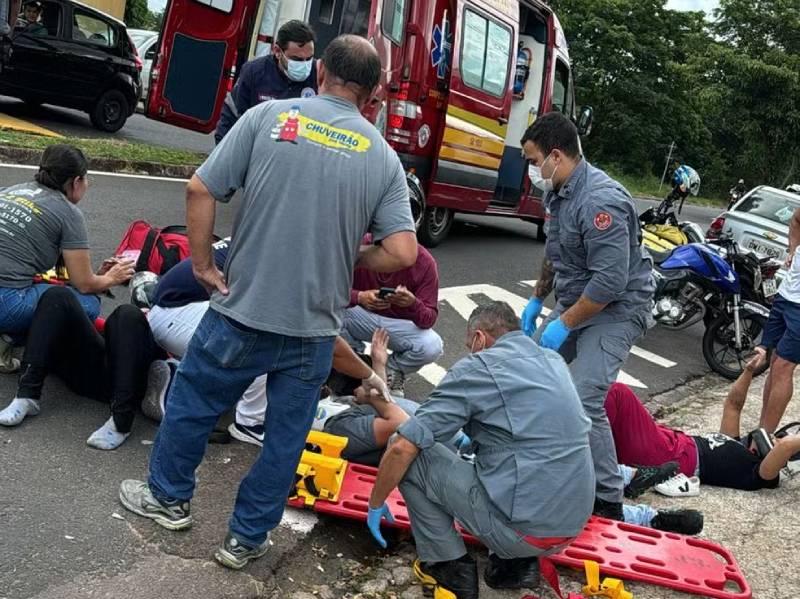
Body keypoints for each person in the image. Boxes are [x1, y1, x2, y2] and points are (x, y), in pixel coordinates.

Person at [119, 34, 417, 571]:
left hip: (241, 312)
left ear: (320, 69)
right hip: (313, 331)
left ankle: (168, 500)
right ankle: (245, 539)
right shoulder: (383, 157)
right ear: (372, 94)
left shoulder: (269, 119)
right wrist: (351, 253)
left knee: (192, 403)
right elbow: (401, 251)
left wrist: (206, 266)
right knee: (284, 437)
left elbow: (200, 189)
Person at [367, 302, 595, 598]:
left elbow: (402, 447)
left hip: (526, 531)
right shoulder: (551, 360)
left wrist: (375, 502)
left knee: (414, 455)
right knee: (508, 463)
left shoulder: (480, 366)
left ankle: (450, 568)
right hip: (572, 524)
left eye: (468, 345)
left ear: (479, 338)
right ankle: (516, 566)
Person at [519, 112, 654, 521]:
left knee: (583, 399)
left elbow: (610, 284)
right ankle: (554, 467)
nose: (530, 170)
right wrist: (538, 299)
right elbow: (556, 249)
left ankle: (608, 499)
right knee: (534, 377)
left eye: (532, 159)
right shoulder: (558, 191)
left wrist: (564, 324)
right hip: (578, 297)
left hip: (617, 308)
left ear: (555, 156)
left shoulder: (601, 201)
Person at [0, 144, 134, 372]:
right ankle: (8, 339)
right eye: (86, 179)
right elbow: (83, 285)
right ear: (76, 181)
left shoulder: (10, 190)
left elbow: (65, 277)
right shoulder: (68, 214)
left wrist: (97, 276)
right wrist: (112, 278)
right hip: (6, 303)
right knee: (88, 305)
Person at [0, 286, 164, 449]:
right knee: (58, 295)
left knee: (127, 314)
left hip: (137, 377)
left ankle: (121, 423)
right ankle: (26, 395)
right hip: (95, 369)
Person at [607, 350, 797, 491]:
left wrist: (786, 447)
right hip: (669, 443)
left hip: (669, 456)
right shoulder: (736, 444)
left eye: (777, 439)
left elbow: (786, 447)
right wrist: (748, 371)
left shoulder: (758, 474)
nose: (775, 437)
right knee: (610, 411)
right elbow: (733, 404)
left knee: (617, 393)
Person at [342, 234, 443, 395]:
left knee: (432, 345)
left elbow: (429, 318)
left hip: (399, 325)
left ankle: (392, 369)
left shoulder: (424, 261)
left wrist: (412, 303)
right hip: (360, 315)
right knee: (329, 315)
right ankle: (355, 361)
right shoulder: (360, 247)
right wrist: (359, 296)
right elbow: (327, 292)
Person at [214, 20, 317, 144]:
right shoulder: (254, 72)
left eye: (309, 59)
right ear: (278, 51)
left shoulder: (319, 76)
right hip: (258, 147)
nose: (304, 65)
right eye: (297, 59)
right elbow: (231, 116)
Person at [758, 207, 800, 433]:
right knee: (774, 361)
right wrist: (793, 250)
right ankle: (762, 432)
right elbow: (796, 218)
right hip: (787, 293)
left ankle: (762, 440)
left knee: (784, 365)